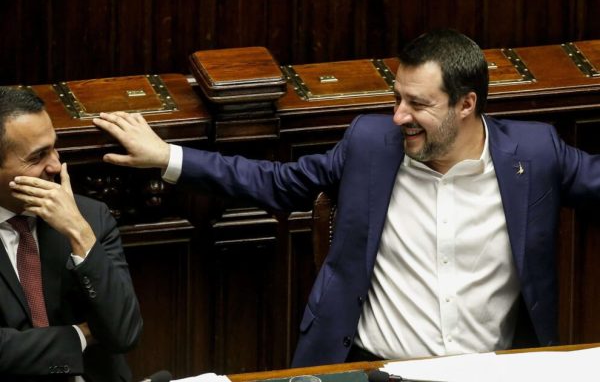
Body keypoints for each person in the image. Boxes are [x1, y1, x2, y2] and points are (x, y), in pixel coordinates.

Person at [92, 29, 600, 367]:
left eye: (418, 104)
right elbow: (276, 183)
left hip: (491, 372)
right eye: (397, 98)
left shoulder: (535, 154)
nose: (399, 116)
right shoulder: (369, 145)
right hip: (376, 369)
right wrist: (166, 157)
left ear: (467, 104)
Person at [0, 87, 143, 381]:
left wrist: (80, 234)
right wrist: (79, 335)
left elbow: (124, 333)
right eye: (37, 156)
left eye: (53, 147)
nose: (55, 165)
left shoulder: (89, 217)